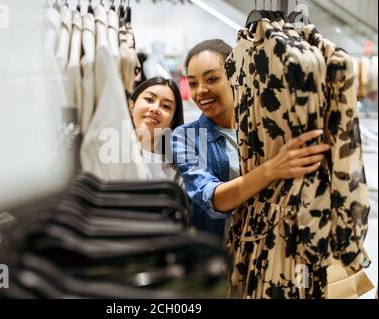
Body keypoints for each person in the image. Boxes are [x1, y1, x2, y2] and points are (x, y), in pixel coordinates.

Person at [172, 39, 331, 240]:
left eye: (211, 79)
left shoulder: (268, 129)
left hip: (271, 250)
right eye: (193, 83)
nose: (200, 90)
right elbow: (212, 198)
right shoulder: (186, 137)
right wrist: (271, 169)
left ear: (235, 75)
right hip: (219, 257)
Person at [129, 76, 184, 184]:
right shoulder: (109, 153)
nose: (155, 109)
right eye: (149, 99)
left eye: (166, 106)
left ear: (172, 121)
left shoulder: (178, 170)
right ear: (132, 106)